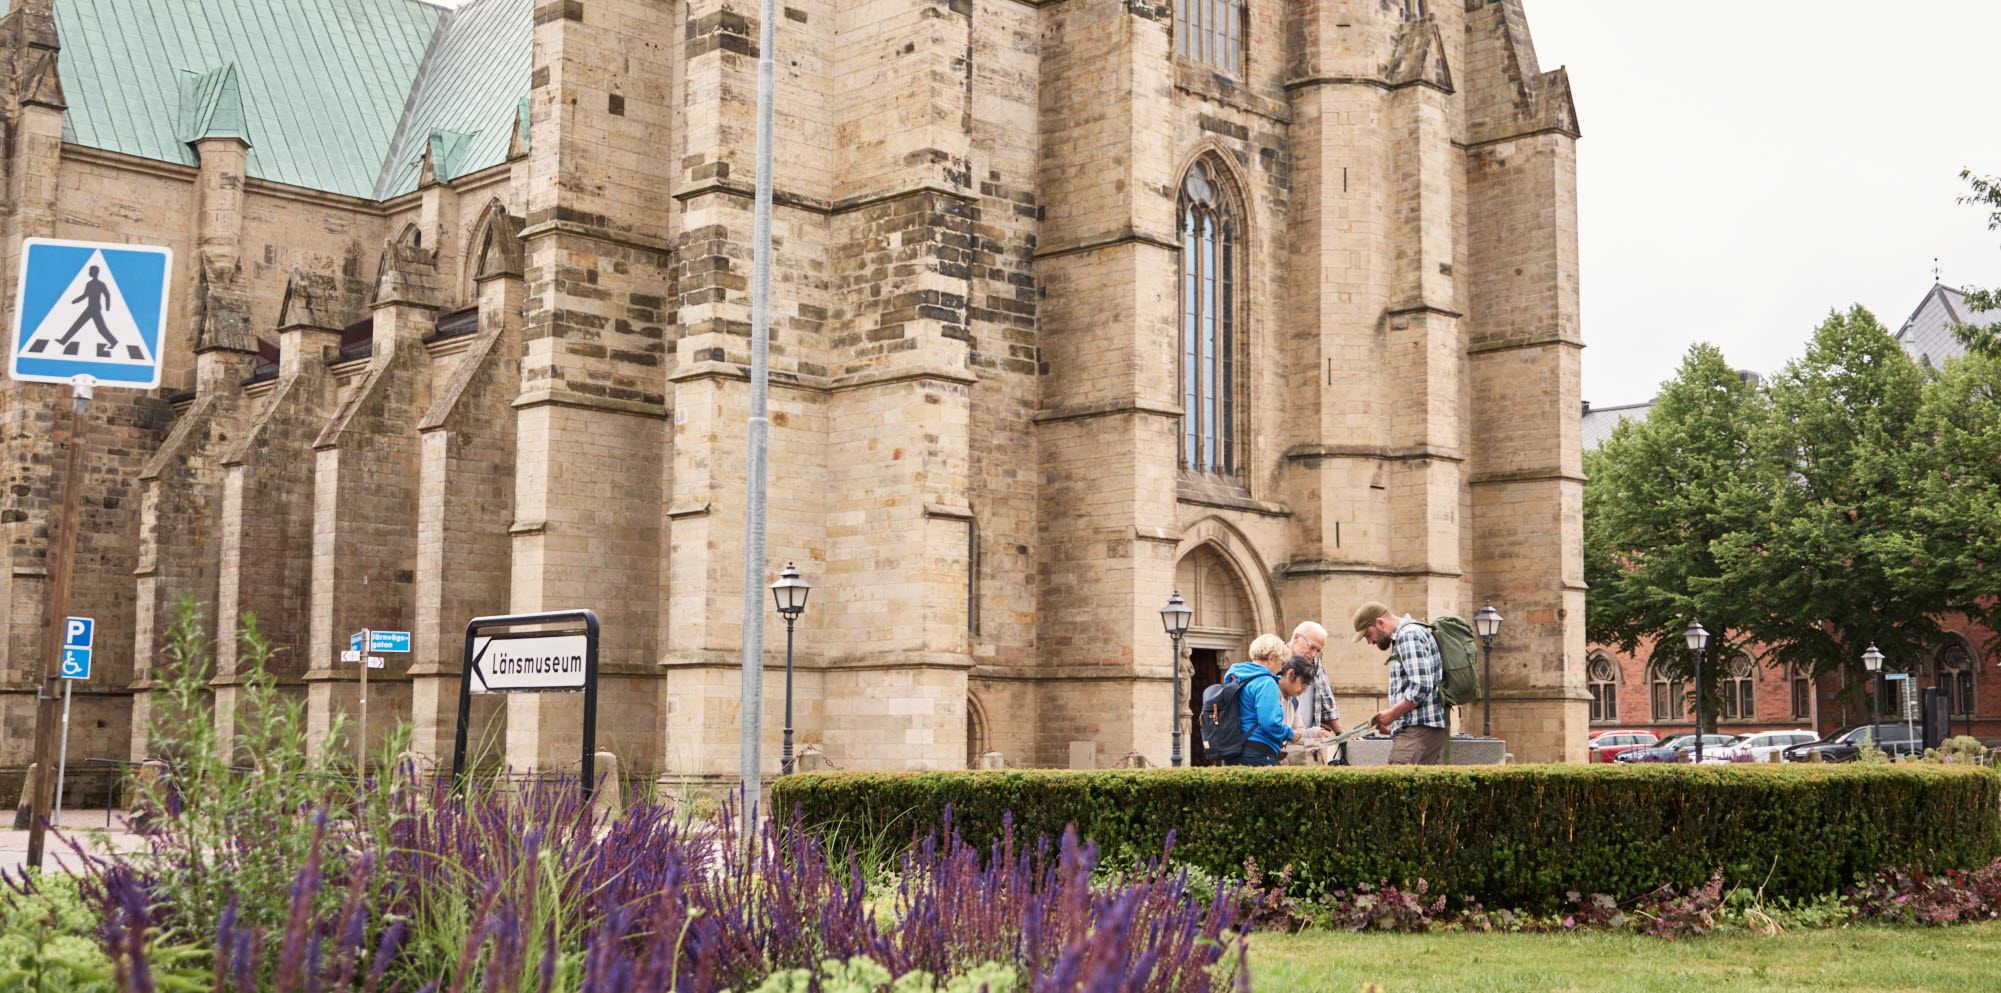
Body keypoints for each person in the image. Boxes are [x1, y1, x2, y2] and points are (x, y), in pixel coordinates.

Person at [1353, 600, 1448, 765]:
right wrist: (1396, 722)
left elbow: (1421, 685)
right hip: (1421, 730)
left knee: (1395, 786)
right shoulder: (1408, 635)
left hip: (1418, 731)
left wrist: (1392, 714)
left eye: (1368, 635)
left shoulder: (1408, 636)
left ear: (1380, 623)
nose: (1370, 642)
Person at [1221, 634, 1304, 767]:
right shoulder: (1266, 682)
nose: (1281, 669)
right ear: (1271, 658)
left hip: (1235, 749)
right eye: (1281, 663)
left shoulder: (1237, 677)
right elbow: (1269, 723)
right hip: (1258, 751)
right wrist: (1289, 733)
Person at [1287, 621, 1341, 735]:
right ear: (1296, 637)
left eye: (1318, 651)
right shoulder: (1277, 659)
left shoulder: (1315, 662)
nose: (1313, 654)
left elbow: (1326, 700)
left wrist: (1341, 733)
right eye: (1312, 647)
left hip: (1307, 738)